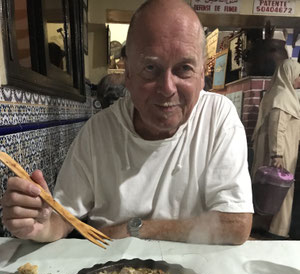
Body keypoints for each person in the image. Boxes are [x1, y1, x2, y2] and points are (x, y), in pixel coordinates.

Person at [1, 0, 253, 245]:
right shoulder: (99, 132)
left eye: (184, 68)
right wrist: (39, 223)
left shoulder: (218, 117)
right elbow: (63, 219)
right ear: (128, 74)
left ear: (202, 77)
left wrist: (135, 228)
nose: (167, 88)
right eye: (151, 68)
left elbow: (236, 224)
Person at [251, 59, 300, 238]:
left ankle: (262, 223)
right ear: (289, 74)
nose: (299, 79)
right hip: (282, 152)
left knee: (269, 189)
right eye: (298, 75)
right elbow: (278, 126)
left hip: (276, 150)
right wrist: (277, 154)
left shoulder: (276, 93)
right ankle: (278, 229)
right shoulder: (283, 97)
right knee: (283, 189)